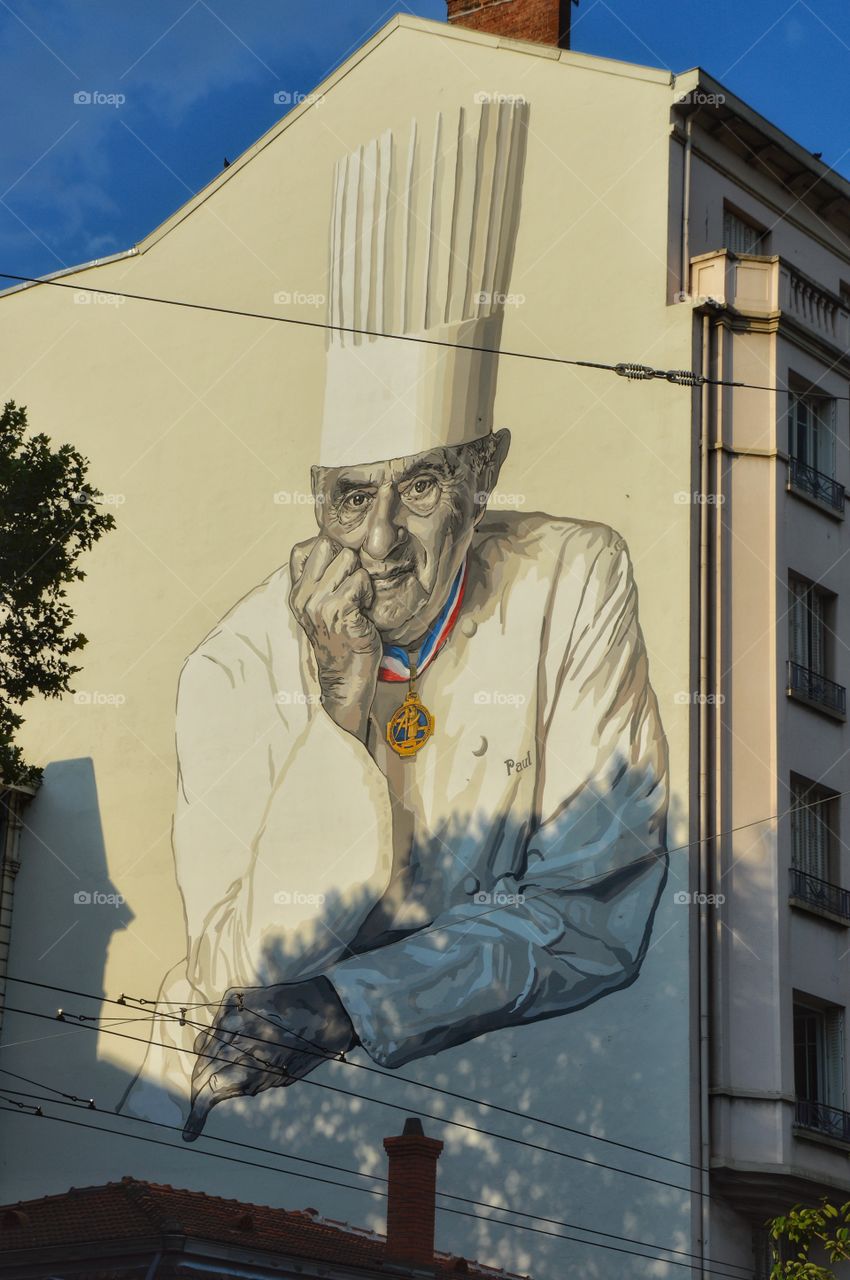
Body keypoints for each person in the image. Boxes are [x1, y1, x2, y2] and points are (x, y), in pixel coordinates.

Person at [118, 100, 669, 1139]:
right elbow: (251, 966)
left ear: (483, 472)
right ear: (315, 491)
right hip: (226, 1128)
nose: (378, 543)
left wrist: (351, 1003)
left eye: (418, 487)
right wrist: (337, 718)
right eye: (347, 495)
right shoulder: (232, 665)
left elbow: (594, 907)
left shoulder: (571, 574)